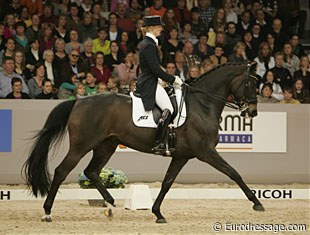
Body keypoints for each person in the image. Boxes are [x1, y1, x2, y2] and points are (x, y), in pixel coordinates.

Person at [135, 15, 182, 155]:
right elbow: (155, 69)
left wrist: (163, 80)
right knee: (169, 108)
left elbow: (153, 69)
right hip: (149, 83)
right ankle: (159, 143)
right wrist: (172, 79)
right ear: (151, 28)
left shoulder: (150, 43)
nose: (161, 29)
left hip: (153, 80)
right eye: (159, 26)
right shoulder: (148, 44)